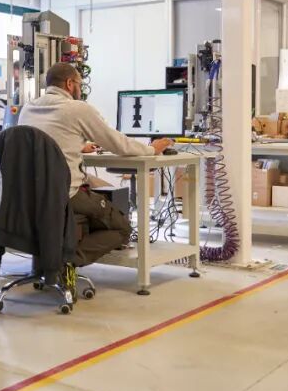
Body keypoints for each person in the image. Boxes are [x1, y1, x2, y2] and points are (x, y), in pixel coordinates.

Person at [18, 63, 173, 275]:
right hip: (64, 194)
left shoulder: (28, 108)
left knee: (100, 188)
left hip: (27, 196)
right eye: (80, 84)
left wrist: (76, 145)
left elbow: (44, 143)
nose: (81, 89)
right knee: (123, 227)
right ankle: (67, 260)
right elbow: (119, 144)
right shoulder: (77, 108)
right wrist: (152, 149)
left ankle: (55, 255)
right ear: (70, 83)